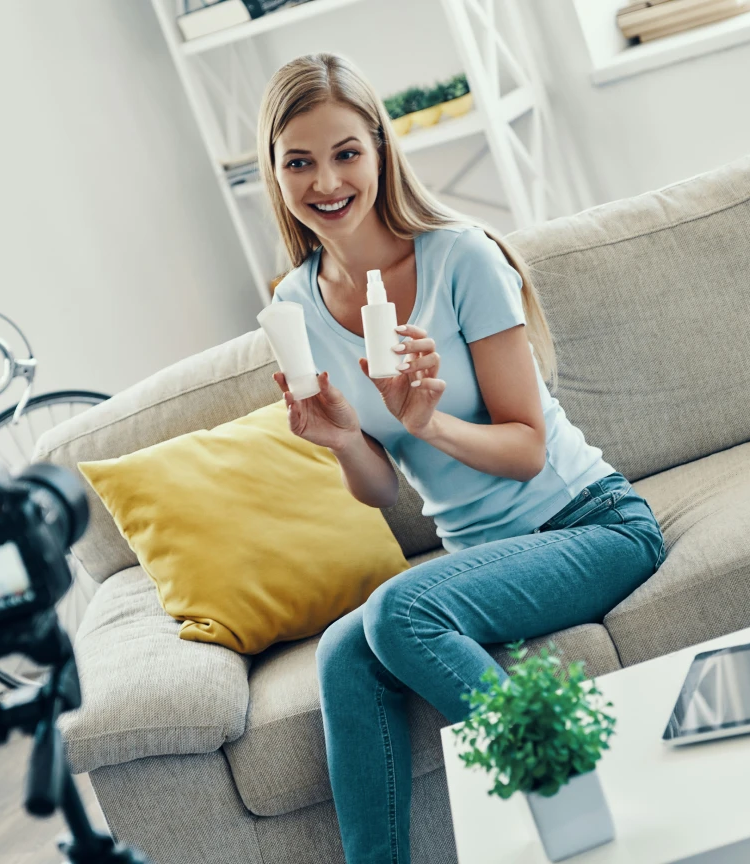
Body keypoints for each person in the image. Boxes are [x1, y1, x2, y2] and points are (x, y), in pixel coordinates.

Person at [258, 52, 666, 864]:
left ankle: (566, 790)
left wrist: (432, 422)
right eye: (299, 161)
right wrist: (343, 437)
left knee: (397, 611)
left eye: (346, 153)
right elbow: (383, 490)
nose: (326, 181)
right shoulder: (293, 305)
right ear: (274, 172)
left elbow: (525, 451)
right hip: (481, 561)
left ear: (379, 149)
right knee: (344, 654)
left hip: (591, 525)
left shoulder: (460, 258)